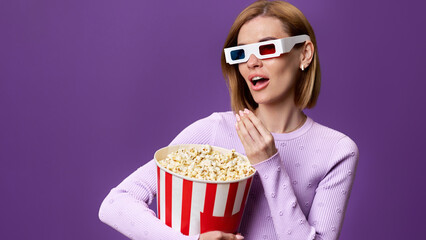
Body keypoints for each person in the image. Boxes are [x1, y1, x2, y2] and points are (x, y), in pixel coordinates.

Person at [98, 1, 359, 239]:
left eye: (267, 48)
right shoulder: (213, 132)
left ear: (304, 54)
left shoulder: (336, 150)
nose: (252, 62)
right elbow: (116, 204)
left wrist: (269, 164)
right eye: (241, 53)